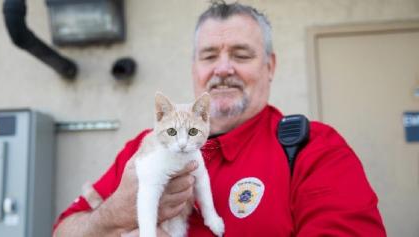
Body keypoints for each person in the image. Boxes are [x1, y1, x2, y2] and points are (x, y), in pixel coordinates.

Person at [53, 1, 386, 236]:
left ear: (270, 67)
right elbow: (64, 230)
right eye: (209, 55)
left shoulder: (316, 150)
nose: (223, 68)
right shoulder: (144, 147)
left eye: (241, 55)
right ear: (194, 69)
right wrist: (111, 216)